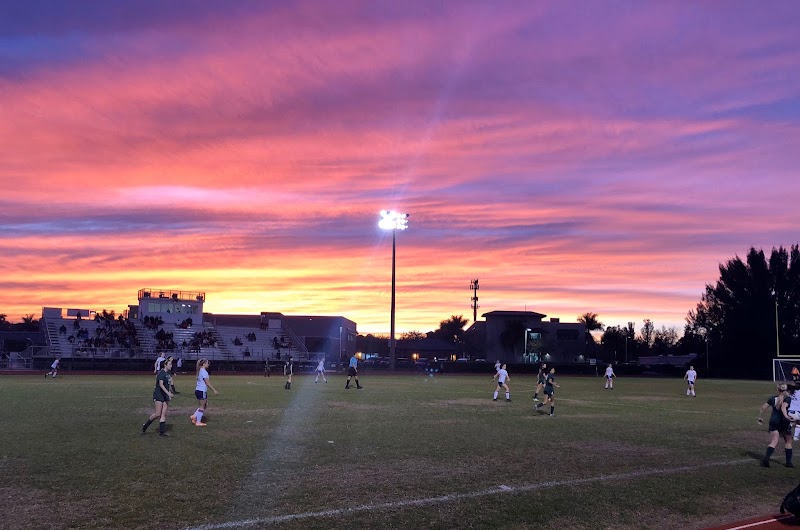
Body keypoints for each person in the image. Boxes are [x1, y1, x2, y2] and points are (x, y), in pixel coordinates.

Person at [758, 383, 794, 467]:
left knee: (774, 441)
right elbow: (783, 407)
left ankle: (766, 460)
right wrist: (787, 417)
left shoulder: (772, 398)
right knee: (788, 441)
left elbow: (763, 408)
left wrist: (760, 418)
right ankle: (788, 463)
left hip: (773, 421)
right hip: (783, 422)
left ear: (778, 390)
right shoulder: (787, 398)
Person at [142, 357, 173, 436]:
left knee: (163, 414)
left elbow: (167, 385)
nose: (171, 365)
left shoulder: (168, 374)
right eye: (169, 364)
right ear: (165, 365)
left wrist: (169, 392)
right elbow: (161, 385)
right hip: (159, 394)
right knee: (157, 413)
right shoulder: (161, 373)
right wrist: (168, 393)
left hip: (165, 395)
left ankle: (162, 432)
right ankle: (145, 425)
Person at [190, 359, 219, 427]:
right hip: (201, 390)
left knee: (205, 405)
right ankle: (198, 421)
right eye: (207, 363)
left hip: (199, 390)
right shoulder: (204, 372)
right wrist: (214, 390)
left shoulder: (200, 371)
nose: (208, 364)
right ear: (204, 364)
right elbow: (207, 383)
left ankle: (194, 416)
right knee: (202, 406)